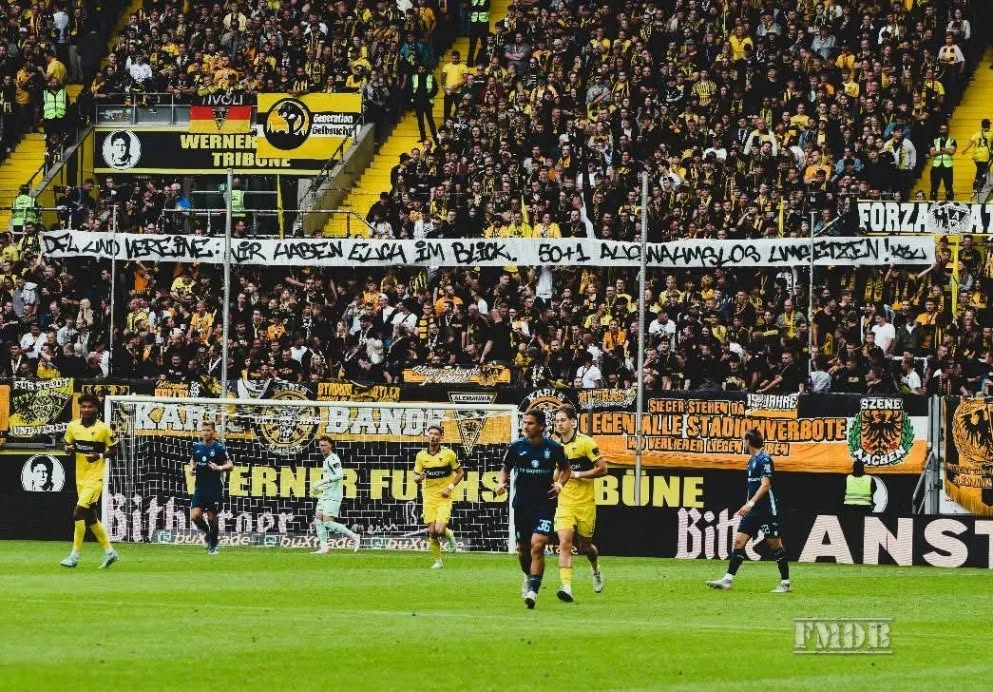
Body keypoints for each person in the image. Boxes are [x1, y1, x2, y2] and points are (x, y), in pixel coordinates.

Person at [496, 411, 570, 609]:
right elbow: (505, 469)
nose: (525, 426)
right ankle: (528, 576)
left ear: (541, 427)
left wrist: (560, 484)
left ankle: (533, 592)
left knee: (538, 545)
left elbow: (566, 468)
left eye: (530, 423)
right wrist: (502, 483)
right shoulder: (516, 447)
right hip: (522, 505)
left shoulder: (554, 448)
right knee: (523, 551)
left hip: (544, 504)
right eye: (524, 423)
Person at [706, 429, 791, 593]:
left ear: (748, 441)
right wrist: (747, 504)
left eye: (744, 440)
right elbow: (752, 487)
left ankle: (785, 583)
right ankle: (727, 580)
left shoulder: (765, 459)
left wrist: (750, 503)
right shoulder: (751, 461)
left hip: (766, 509)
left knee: (774, 544)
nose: (743, 443)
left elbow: (766, 485)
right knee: (739, 542)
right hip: (752, 510)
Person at [552, 405, 607, 602]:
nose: (559, 423)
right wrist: (556, 481)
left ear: (573, 422)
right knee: (565, 543)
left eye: (563, 420)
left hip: (585, 503)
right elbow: (558, 471)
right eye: (557, 420)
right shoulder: (556, 447)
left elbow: (603, 469)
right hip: (565, 502)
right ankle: (566, 587)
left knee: (586, 547)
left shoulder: (586, 443)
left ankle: (596, 569)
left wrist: (577, 474)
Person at [60, 394, 119, 569]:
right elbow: (67, 446)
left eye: (89, 407)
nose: (86, 410)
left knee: (78, 514)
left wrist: (99, 455)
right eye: (83, 407)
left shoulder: (103, 429)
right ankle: (110, 552)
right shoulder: (73, 427)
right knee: (91, 519)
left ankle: (74, 556)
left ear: (96, 409)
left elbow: (114, 451)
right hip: (80, 478)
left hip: (95, 479)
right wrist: (68, 450)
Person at [413, 424, 464, 568]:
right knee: (432, 531)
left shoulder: (449, 454)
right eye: (431, 434)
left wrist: (450, 487)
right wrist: (419, 477)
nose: (433, 437)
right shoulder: (421, 456)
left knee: (440, 530)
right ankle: (438, 561)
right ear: (427, 436)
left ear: (441, 438)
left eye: (436, 434)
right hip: (428, 497)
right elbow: (415, 477)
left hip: (444, 497)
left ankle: (450, 535)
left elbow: (460, 472)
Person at [188, 422, 232, 555]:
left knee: (212, 518)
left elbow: (230, 465)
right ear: (200, 432)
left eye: (208, 430)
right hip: (200, 488)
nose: (205, 432)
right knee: (195, 516)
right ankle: (208, 534)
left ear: (213, 432)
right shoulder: (196, 447)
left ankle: (213, 545)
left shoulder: (218, 448)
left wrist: (219, 468)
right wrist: (192, 468)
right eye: (203, 430)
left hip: (214, 488)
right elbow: (193, 460)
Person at [312, 436, 361, 554]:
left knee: (327, 522)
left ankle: (354, 537)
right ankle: (324, 548)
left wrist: (323, 481)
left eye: (324, 445)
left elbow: (339, 475)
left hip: (333, 496)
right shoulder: (326, 459)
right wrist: (319, 489)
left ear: (331, 446)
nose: (322, 448)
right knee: (318, 520)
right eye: (320, 445)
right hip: (325, 495)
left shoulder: (333, 459)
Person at [961, 119, 991, 196]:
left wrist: (965, 149)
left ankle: (977, 188)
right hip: (985, 156)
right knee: (983, 173)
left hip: (976, 157)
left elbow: (971, 141)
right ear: (988, 126)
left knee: (980, 171)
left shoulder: (977, 134)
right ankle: (977, 189)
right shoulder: (991, 134)